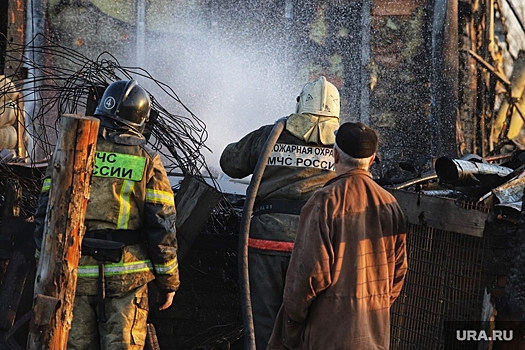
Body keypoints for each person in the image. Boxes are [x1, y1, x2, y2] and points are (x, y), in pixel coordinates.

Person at [33, 79, 180, 349]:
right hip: (127, 281)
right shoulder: (146, 159)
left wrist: (44, 263)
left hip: (74, 275)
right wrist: (168, 281)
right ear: (140, 120)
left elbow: (45, 213)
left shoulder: (71, 149)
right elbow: (162, 226)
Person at [220, 76, 340, 349]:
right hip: (318, 242)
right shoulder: (342, 144)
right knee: (313, 322)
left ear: (300, 105)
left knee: (266, 324)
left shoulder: (272, 133)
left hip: (266, 237)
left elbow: (230, 162)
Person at [268, 122, 408, 350]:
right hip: (374, 336)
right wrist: (373, 307)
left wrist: (293, 320)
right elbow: (398, 274)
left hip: (327, 337)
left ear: (335, 155)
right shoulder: (391, 205)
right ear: (372, 160)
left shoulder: (324, 201)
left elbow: (308, 275)